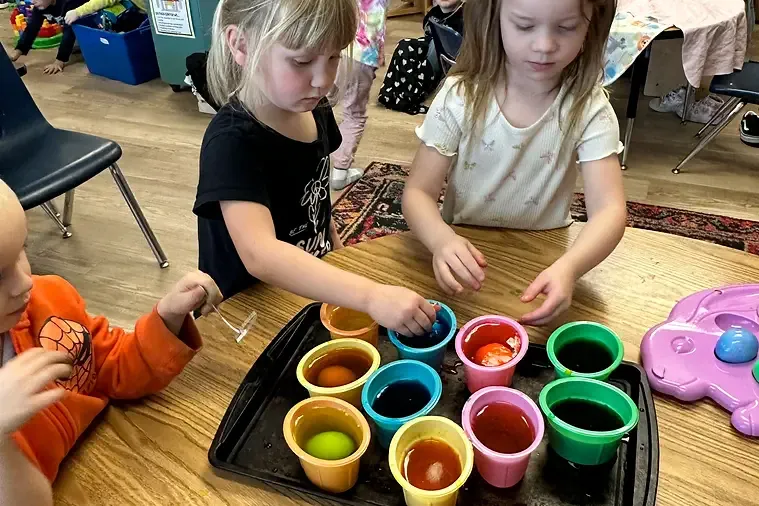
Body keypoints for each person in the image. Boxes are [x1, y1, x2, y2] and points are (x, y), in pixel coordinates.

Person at [194, 0, 437, 337]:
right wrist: (370, 294)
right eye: (302, 61)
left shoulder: (315, 108)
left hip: (308, 289)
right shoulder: (231, 142)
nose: (323, 80)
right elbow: (260, 254)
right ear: (241, 45)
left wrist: (340, 258)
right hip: (248, 313)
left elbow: (318, 203)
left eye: (335, 56)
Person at [402, 0, 627, 326]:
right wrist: (440, 240)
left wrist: (571, 267)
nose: (545, 45)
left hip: (547, 259)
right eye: (524, 25)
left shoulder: (590, 108)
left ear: (592, 27)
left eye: (566, 27)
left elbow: (610, 210)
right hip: (466, 260)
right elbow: (417, 193)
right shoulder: (459, 96)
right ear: (493, 20)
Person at [0, 179, 222, 505]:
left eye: (23, 249)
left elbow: (110, 365)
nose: (23, 282)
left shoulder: (49, 300)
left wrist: (168, 317)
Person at [330, 0, 391, 190]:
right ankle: (340, 170)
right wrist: (379, 51)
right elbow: (375, 22)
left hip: (334, 49)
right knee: (354, 114)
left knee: (319, 102)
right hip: (361, 56)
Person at [8, 0, 90, 74]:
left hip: (91, 23)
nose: (33, 2)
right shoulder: (40, 6)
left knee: (80, 43)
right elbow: (31, 28)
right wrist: (18, 50)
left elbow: (69, 33)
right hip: (75, 27)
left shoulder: (69, 3)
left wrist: (60, 60)